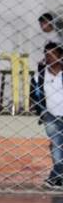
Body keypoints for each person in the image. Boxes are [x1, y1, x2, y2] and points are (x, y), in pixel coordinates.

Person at [31, 43, 63, 188]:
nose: (49, 57)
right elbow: (34, 95)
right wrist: (42, 112)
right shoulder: (40, 74)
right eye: (47, 54)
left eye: (53, 54)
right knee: (57, 146)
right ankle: (56, 178)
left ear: (61, 56)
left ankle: (55, 177)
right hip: (50, 115)